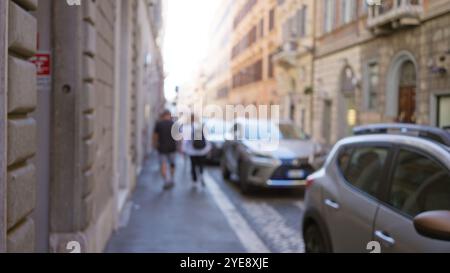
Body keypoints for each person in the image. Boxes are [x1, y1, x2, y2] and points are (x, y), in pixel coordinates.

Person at [183, 114, 211, 186]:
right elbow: (207, 138)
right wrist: (208, 148)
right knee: (201, 164)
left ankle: (194, 180)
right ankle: (201, 175)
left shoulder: (188, 127)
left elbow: (186, 140)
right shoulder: (202, 126)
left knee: (193, 165)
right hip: (202, 150)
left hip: (192, 151)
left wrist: (184, 149)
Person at [153, 110, 177, 190]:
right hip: (172, 147)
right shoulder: (174, 124)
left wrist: (155, 144)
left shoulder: (159, 124)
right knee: (172, 164)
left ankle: (166, 180)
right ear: (169, 116)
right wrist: (179, 147)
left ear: (163, 116)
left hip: (162, 147)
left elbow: (155, 136)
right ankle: (172, 179)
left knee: (163, 164)